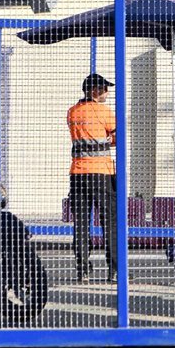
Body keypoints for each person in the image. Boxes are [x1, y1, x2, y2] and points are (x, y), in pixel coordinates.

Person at [68, 73, 118, 282]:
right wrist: (107, 140)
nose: (107, 93)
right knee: (110, 222)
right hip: (101, 173)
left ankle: (83, 270)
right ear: (95, 90)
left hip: (78, 173)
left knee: (81, 223)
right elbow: (117, 137)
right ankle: (114, 269)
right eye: (105, 89)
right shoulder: (104, 112)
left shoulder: (72, 112)